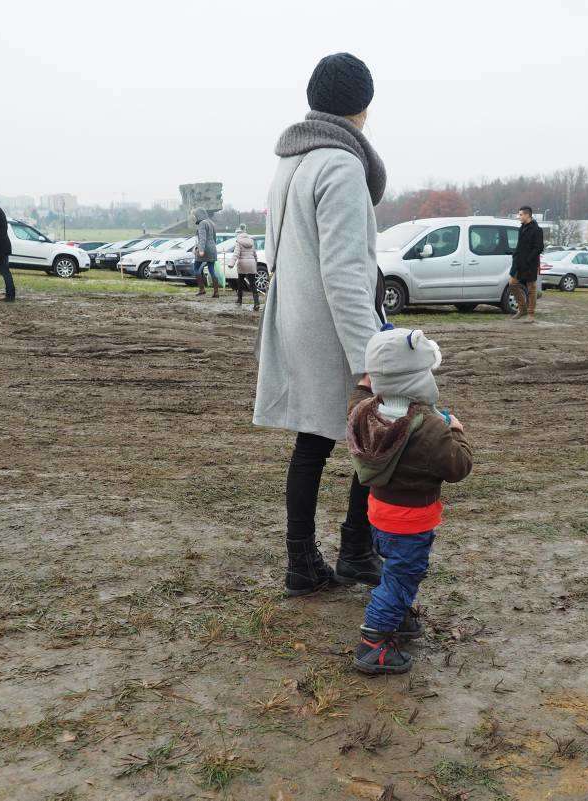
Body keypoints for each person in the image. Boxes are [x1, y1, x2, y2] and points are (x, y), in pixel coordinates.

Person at [253, 51, 387, 597]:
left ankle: (302, 562)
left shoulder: (291, 161)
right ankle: (356, 548)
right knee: (376, 434)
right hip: (336, 328)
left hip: (297, 321)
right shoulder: (340, 164)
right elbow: (346, 273)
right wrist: (369, 359)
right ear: (364, 107)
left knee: (313, 443)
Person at [347, 328, 472, 674]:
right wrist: (456, 431)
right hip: (412, 521)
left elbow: (359, 395)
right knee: (403, 576)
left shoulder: (363, 413)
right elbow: (459, 467)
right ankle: (373, 643)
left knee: (394, 568)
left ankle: (398, 617)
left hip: (379, 514)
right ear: (419, 380)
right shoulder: (430, 429)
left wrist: (369, 379)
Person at [510, 206, 543, 322]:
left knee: (531, 288)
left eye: (520, 215)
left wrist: (529, 259)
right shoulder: (521, 228)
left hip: (530, 264)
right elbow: (519, 246)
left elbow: (539, 247)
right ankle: (522, 309)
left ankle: (531, 314)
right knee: (512, 283)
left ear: (527, 215)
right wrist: (515, 256)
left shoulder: (537, 230)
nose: (519, 217)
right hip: (519, 263)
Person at [191, 208, 219, 297]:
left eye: (195, 215)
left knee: (195, 268)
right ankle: (216, 292)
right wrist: (213, 248)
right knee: (212, 270)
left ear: (198, 215)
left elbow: (202, 238)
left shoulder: (202, 223)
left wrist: (201, 250)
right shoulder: (211, 223)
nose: (194, 217)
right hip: (212, 249)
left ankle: (202, 289)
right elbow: (214, 238)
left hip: (204, 249)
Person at [232, 224, 260, 311]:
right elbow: (255, 254)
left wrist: (231, 263)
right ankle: (256, 303)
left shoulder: (238, 242)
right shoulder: (251, 241)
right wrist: (255, 263)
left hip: (242, 264)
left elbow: (236, 254)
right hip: (251, 264)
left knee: (240, 282)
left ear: (239, 235)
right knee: (253, 284)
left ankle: (239, 300)